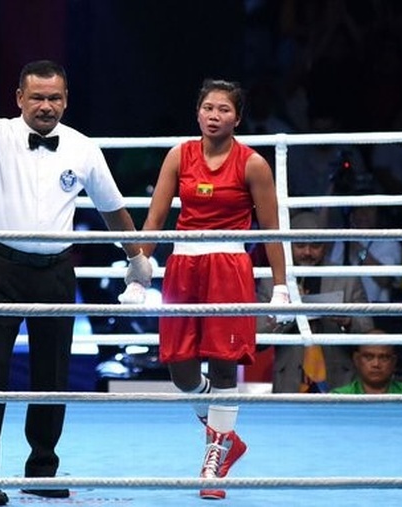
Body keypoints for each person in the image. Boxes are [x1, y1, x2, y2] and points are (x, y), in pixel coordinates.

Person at [0, 36, 151, 506]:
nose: (46, 106)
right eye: (37, 97)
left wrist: (136, 256)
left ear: (66, 99)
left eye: (54, 97)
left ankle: (42, 471)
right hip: (1, 267)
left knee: (52, 376)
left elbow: (114, 210)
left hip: (56, 271)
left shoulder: (82, 148)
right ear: (19, 98)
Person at [139, 79, 290, 500]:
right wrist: (141, 266)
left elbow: (272, 228)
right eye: (208, 107)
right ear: (198, 112)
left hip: (229, 265)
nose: (214, 115)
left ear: (237, 118)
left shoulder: (253, 164)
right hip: (184, 264)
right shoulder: (179, 155)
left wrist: (281, 286)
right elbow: (155, 219)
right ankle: (224, 435)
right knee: (180, 368)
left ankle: (214, 458)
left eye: (224, 109)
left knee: (224, 364)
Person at [258, 210, 374, 393]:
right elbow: (258, 335)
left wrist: (348, 320)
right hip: (289, 379)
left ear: (326, 246)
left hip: (339, 378)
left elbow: (369, 330)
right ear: (288, 246)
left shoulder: (346, 278)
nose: (307, 252)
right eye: (301, 245)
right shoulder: (272, 280)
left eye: (315, 245)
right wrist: (288, 312)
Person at [331, 344, 402, 394]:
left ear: (394, 361)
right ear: (356, 359)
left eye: (384, 358)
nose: (376, 364)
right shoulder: (340, 397)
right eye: (369, 357)